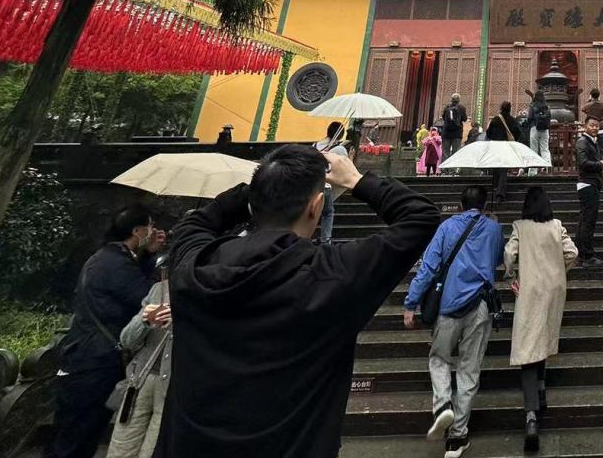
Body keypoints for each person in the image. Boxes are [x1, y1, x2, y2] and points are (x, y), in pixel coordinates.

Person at [156, 144, 439, 457]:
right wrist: (357, 179)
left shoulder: (192, 270)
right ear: (316, 206)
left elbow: (193, 225)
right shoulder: (332, 277)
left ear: (254, 204)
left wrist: (254, 191)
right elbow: (421, 216)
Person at [46, 205, 164, 458]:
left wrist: (147, 254)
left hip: (85, 354)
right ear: (137, 230)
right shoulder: (116, 264)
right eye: (150, 226)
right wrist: (154, 263)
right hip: (94, 362)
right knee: (78, 434)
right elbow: (146, 297)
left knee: (77, 432)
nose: (153, 231)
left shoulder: (107, 257)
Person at [404, 185, 503, 458]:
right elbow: (497, 260)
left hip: (448, 304)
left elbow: (429, 267)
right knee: (470, 369)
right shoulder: (494, 229)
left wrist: (411, 302)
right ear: (483, 205)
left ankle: (442, 405)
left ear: (461, 205)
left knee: (439, 358)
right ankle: (457, 437)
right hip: (481, 304)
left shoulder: (447, 227)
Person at [503, 186, 578, 453]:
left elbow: (509, 255)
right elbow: (573, 253)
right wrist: (559, 270)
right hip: (554, 287)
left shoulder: (520, 226)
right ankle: (542, 387)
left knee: (527, 345)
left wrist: (512, 277)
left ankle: (531, 415)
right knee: (542, 335)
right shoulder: (556, 225)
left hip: (531, 288)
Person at [107, 258, 172, 458]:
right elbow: (126, 340)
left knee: (152, 451)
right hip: (140, 381)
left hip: (172, 386)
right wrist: (144, 319)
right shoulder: (159, 289)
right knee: (120, 449)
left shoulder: (209, 293)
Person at [573, 114, 603, 268]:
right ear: (585, 126)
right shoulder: (582, 142)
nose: (595, 128)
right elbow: (583, 163)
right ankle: (587, 256)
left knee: (584, 220)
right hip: (587, 184)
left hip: (590, 183)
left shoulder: (591, 141)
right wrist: (600, 165)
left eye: (597, 125)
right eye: (592, 125)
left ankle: (580, 254)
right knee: (588, 221)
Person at [318, 121, 352, 244]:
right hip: (326, 185)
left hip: (314, 185)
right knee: (328, 213)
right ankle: (326, 240)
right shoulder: (339, 149)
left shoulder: (315, 145)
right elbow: (344, 167)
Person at [486, 100, 521, 204]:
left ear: (501, 108)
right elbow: (518, 132)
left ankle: (496, 189)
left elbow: (488, 133)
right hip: (506, 146)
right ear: (510, 109)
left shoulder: (495, 120)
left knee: (496, 167)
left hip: (496, 146)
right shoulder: (512, 120)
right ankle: (500, 193)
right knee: (503, 169)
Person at [526, 89, 553, 175]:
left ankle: (533, 171)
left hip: (534, 129)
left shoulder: (533, 106)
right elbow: (549, 117)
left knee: (534, 150)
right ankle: (547, 168)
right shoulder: (546, 106)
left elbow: (529, 118)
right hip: (545, 130)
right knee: (545, 149)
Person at [440, 94, 468, 169]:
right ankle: (453, 170)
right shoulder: (462, 108)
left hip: (446, 133)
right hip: (457, 133)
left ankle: (444, 170)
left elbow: (443, 117)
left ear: (451, 99)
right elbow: (465, 119)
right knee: (455, 153)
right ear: (459, 100)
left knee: (445, 153)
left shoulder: (446, 107)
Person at [581, 88, 603, 162]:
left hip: (591, 129)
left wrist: (590, 100)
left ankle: (594, 164)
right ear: (599, 96)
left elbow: (583, 109)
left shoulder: (588, 105)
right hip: (602, 128)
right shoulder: (602, 105)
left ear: (591, 96)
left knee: (591, 149)